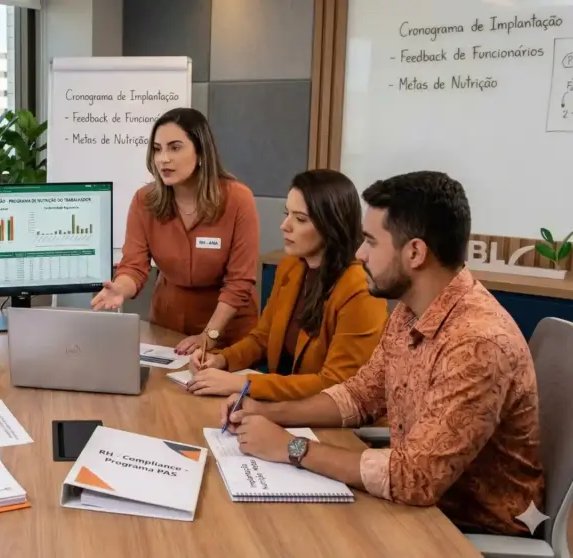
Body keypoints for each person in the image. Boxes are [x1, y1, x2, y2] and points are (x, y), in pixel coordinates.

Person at [219, 171, 544, 536]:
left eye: (371, 242)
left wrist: (292, 447)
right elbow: (358, 396)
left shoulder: (478, 342)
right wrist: (266, 411)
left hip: (462, 529)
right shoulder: (410, 311)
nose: (359, 254)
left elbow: (415, 479)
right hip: (413, 507)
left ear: (415, 253)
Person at [187, 170, 387, 400]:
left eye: (300, 219)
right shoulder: (291, 266)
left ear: (332, 225)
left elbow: (336, 383)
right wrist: (221, 359)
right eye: (287, 214)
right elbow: (262, 339)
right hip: (282, 407)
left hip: (331, 422)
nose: (284, 226)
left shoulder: (360, 289)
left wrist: (243, 384)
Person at [91, 107, 259, 355]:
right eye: (157, 149)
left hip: (227, 329)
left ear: (201, 151)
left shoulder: (237, 199)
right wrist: (121, 289)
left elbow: (239, 282)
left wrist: (209, 336)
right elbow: (134, 267)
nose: (163, 159)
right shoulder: (144, 201)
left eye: (175, 147)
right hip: (168, 325)